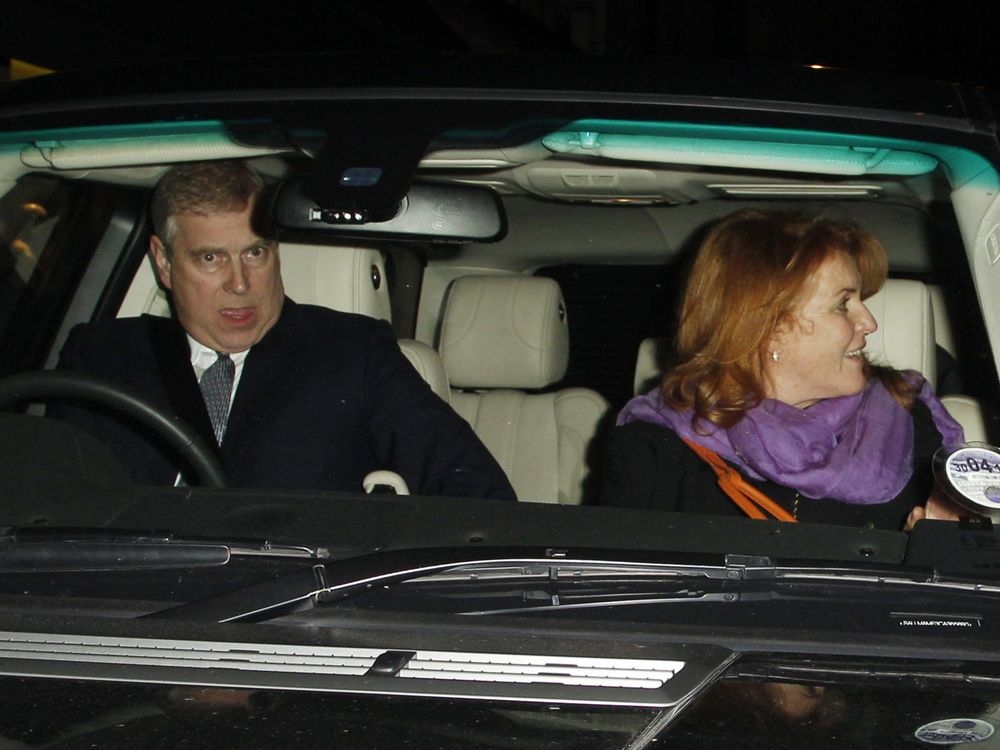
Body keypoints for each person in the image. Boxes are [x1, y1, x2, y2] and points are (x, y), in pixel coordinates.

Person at [52, 160, 516, 501]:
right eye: (210, 258)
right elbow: (43, 496)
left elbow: (476, 490)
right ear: (163, 262)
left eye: (255, 253)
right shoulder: (102, 355)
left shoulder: (351, 353)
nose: (240, 284)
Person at [598, 209, 964, 529]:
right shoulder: (654, 448)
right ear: (769, 328)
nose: (869, 322)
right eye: (843, 304)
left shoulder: (908, 420)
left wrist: (929, 549)